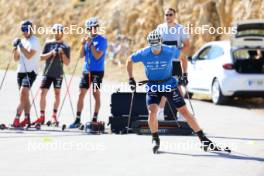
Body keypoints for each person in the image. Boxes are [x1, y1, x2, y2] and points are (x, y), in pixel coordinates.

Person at [126, 30, 218, 154]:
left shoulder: (169, 50)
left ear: (161, 42)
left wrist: (184, 75)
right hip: (153, 85)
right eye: (152, 45)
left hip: (169, 83)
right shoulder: (144, 53)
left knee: (184, 112)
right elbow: (129, 60)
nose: (156, 48)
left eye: (157, 44)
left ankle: (203, 139)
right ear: (149, 44)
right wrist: (131, 78)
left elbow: (183, 58)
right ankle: (155, 138)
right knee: (152, 112)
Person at [69, 17, 108, 128]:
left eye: (94, 27)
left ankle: (95, 118)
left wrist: (90, 44)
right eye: (90, 28)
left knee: (96, 93)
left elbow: (97, 55)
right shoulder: (87, 40)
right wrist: (82, 45)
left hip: (98, 72)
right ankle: (77, 119)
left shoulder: (102, 40)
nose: (92, 30)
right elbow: (81, 55)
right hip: (86, 71)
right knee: (81, 93)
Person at [32, 23, 70, 125]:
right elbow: (40, 57)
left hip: (58, 73)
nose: (57, 33)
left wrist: (62, 54)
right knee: (42, 93)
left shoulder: (66, 46)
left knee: (57, 93)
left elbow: (67, 63)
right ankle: (42, 116)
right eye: (56, 31)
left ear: (62, 33)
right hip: (47, 72)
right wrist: (51, 53)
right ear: (53, 31)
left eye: (60, 31)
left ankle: (54, 115)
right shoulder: (48, 43)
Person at [156, 7, 190, 120]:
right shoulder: (160, 28)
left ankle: (182, 114)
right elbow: (154, 44)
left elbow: (186, 45)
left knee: (178, 89)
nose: (168, 17)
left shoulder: (180, 28)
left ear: (175, 16)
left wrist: (185, 73)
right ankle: (160, 113)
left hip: (175, 63)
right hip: (163, 64)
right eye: (166, 15)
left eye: (170, 14)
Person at [12, 20, 41, 127]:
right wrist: (15, 48)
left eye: (26, 29)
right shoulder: (22, 41)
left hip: (30, 72)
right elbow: (16, 59)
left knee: (23, 94)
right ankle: (27, 118)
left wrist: (21, 46)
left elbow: (29, 56)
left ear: (31, 29)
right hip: (20, 72)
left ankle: (16, 118)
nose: (24, 32)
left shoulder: (35, 41)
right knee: (25, 96)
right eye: (22, 29)